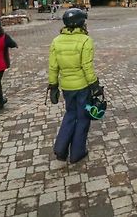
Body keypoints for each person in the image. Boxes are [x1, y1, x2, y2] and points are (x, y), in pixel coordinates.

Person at [48, 8, 104, 163]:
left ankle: (60, 149)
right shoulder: (86, 40)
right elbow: (87, 66)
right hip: (82, 87)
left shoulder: (56, 41)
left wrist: (53, 85)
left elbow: (53, 67)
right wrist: (95, 85)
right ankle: (77, 153)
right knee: (83, 117)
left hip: (67, 87)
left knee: (70, 115)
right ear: (81, 23)